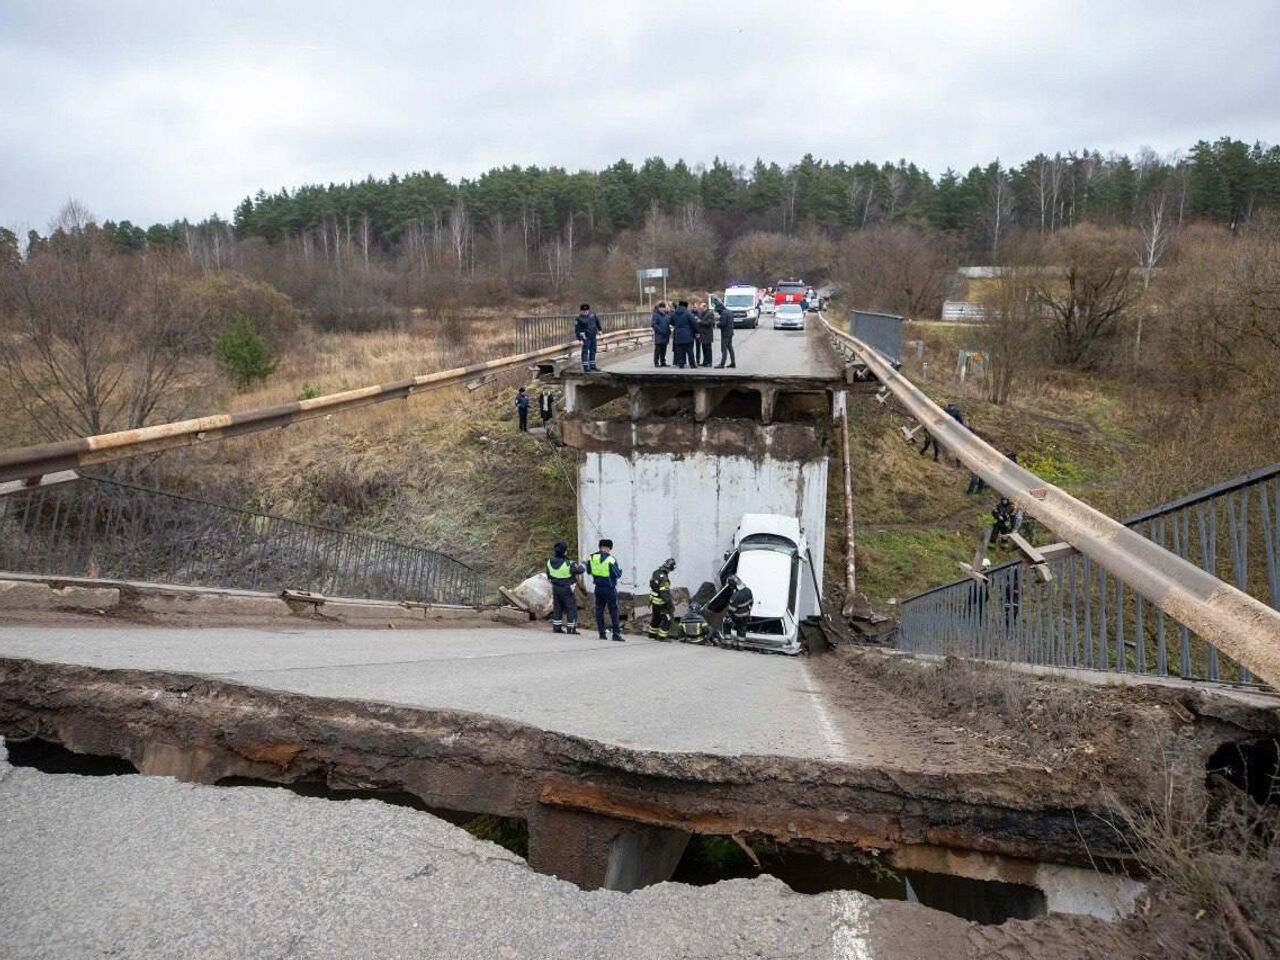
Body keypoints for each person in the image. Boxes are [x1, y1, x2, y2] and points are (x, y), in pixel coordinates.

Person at [587, 538, 624, 641]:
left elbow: (589, 571)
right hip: (609, 588)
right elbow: (617, 574)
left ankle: (602, 634)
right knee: (614, 611)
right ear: (608, 548)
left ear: (600, 547)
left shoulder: (591, 558)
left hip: (598, 588)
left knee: (599, 611)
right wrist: (620, 571)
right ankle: (616, 634)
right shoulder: (610, 559)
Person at [546, 540, 584, 634]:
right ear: (565, 551)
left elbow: (548, 575)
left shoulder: (549, 562)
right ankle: (571, 629)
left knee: (557, 607)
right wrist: (584, 565)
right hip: (567, 588)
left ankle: (557, 627)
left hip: (555, 587)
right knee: (571, 608)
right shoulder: (569, 563)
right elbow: (579, 570)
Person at [646, 557, 676, 640]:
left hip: (654, 601)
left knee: (656, 618)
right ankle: (662, 637)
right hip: (661, 603)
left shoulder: (655, 572)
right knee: (668, 619)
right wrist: (670, 605)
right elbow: (664, 594)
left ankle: (652, 635)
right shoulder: (665, 579)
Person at [726, 576, 754, 646]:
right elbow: (751, 603)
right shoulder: (748, 591)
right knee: (742, 629)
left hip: (737, 616)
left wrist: (727, 616)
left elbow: (732, 610)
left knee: (726, 624)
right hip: (746, 615)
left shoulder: (736, 595)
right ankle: (740, 645)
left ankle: (728, 643)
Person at [670, 301, 698, 370]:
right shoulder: (688, 313)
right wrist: (697, 332)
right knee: (690, 350)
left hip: (678, 334)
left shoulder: (674, 314)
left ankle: (681, 364)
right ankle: (692, 365)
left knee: (680, 350)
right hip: (688, 334)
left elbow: (671, 321)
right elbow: (694, 323)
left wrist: (677, 326)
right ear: (686, 306)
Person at [574, 303, 603, 372]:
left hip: (593, 335)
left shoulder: (593, 315)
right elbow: (577, 330)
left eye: (586, 310)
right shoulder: (579, 319)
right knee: (585, 351)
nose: (585, 312)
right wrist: (580, 339)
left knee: (593, 350)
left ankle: (592, 365)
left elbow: (597, 322)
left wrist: (600, 330)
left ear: (588, 310)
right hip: (585, 337)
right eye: (584, 311)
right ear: (581, 311)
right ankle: (586, 367)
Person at [714, 301, 736, 369]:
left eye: (718, 311)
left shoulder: (723, 314)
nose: (718, 312)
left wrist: (717, 324)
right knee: (730, 348)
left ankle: (722, 364)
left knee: (723, 349)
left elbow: (723, 323)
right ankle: (733, 363)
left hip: (725, 333)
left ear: (720, 309)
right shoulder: (729, 312)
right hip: (730, 332)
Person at [651, 302, 672, 367]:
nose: (662, 309)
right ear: (659, 308)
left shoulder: (667, 316)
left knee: (664, 350)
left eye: (663, 308)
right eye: (661, 308)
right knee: (658, 350)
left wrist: (669, 332)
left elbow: (669, 324)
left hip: (665, 335)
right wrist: (660, 331)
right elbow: (653, 324)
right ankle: (656, 362)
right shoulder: (655, 315)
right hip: (659, 335)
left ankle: (663, 362)